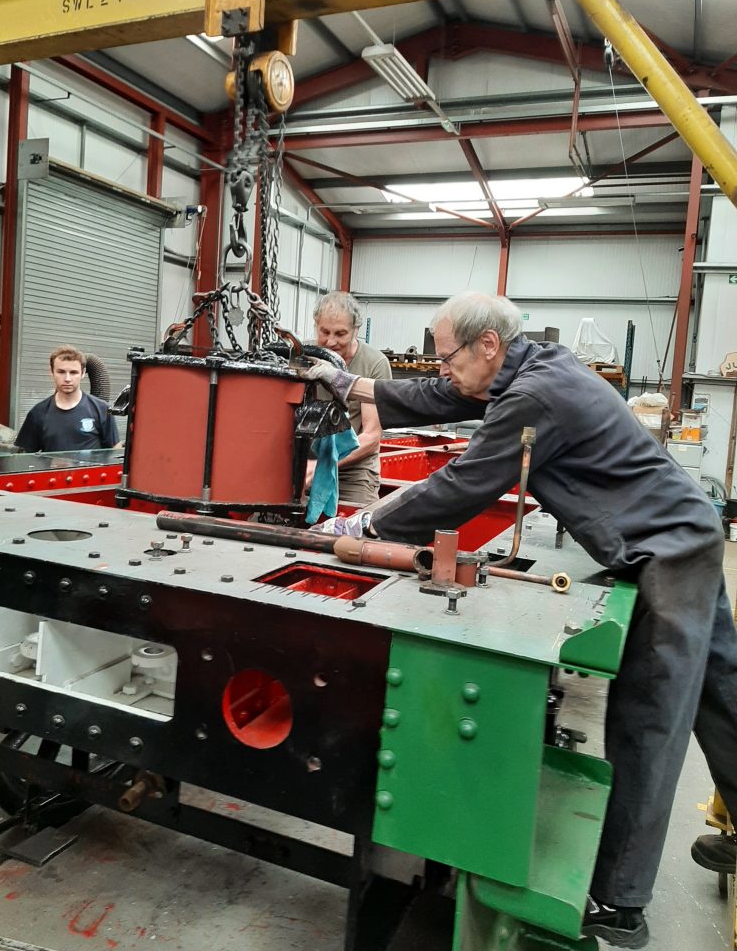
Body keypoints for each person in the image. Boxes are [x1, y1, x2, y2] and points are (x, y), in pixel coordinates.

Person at [300, 291, 737, 949]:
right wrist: (349, 380)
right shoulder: (534, 366)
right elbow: (443, 396)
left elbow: (463, 484)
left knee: (651, 714)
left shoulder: (536, 396)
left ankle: (622, 903)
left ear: (488, 346)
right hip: (686, 535)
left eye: (446, 354)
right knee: (721, 693)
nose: (439, 367)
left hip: (668, 551)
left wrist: (362, 523)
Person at [308, 291, 392, 505]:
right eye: (324, 331)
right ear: (316, 324)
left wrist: (324, 464)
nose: (330, 341)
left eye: (340, 334)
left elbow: (371, 438)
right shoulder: (303, 355)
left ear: (356, 330)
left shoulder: (374, 364)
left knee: (356, 528)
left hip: (353, 470)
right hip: (306, 463)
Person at [16, 345, 119, 453]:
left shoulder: (102, 410)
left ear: (83, 373)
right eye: (61, 372)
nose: (67, 379)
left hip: (90, 470)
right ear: (51, 372)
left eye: (73, 372)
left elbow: (113, 453)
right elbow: (25, 456)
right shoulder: (37, 413)